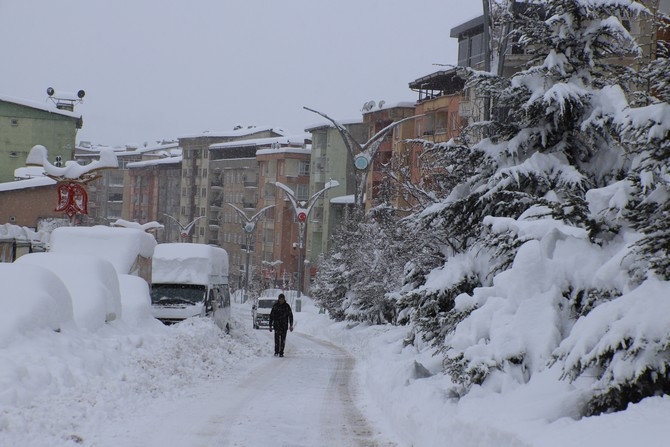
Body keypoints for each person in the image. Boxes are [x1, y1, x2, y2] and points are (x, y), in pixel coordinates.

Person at [269, 293, 293, 357]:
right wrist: (270, 325)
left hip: (284, 325)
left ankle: (281, 352)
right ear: (278, 299)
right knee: (276, 339)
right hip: (276, 325)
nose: (281, 300)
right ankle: (276, 351)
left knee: (283, 339)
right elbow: (271, 316)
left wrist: (291, 325)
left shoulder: (287, 306)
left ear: (284, 299)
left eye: (282, 299)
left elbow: (290, 316)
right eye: (280, 299)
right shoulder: (275, 306)